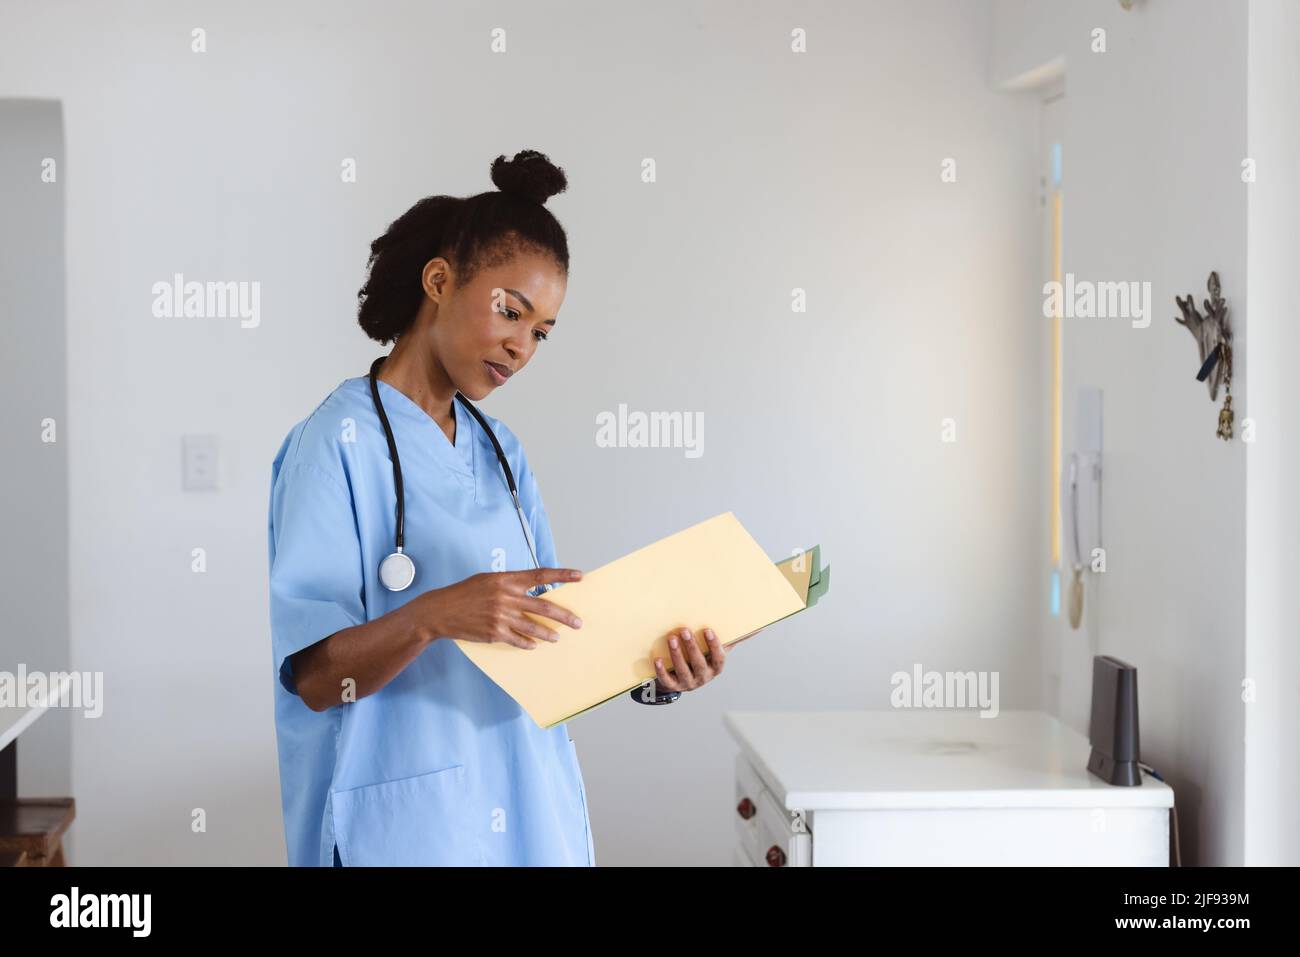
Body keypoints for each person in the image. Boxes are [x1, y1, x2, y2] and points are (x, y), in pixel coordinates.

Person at [267, 150, 735, 867]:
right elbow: (315, 681)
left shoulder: (502, 453)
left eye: (542, 331)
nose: (521, 346)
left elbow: (554, 649)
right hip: (404, 830)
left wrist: (658, 672)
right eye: (509, 311)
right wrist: (434, 613)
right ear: (439, 280)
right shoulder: (335, 443)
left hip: (527, 814)